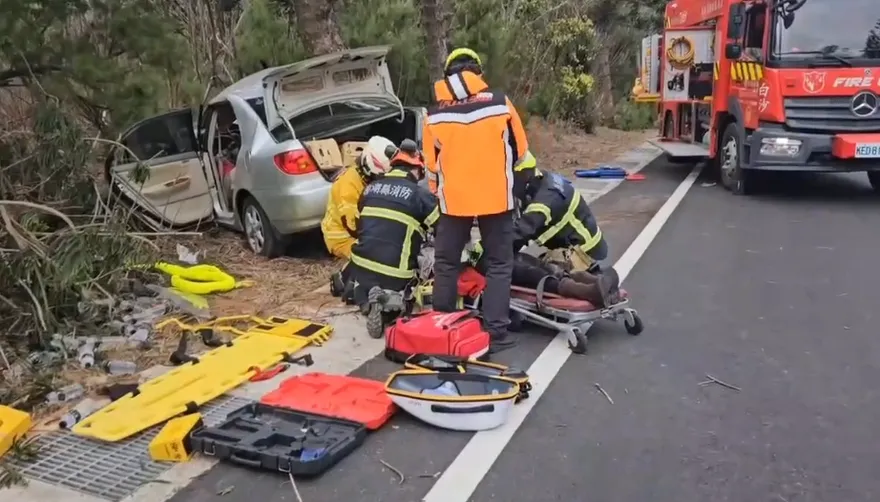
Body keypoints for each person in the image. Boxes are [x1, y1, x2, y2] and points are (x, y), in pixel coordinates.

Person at [422, 47, 530, 353]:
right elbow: (521, 151)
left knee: (446, 262)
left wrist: (439, 192)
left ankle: (442, 329)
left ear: (448, 76)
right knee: (499, 263)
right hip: (496, 197)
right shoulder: (500, 103)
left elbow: (431, 165)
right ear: (478, 73)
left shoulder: (434, 115)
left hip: (454, 201)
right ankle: (496, 332)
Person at [348, 140, 439, 330]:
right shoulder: (420, 195)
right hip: (395, 274)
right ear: (417, 170)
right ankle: (390, 304)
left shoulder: (369, 189)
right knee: (428, 257)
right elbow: (444, 230)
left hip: (359, 267)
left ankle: (366, 299)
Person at [511, 160, 620, 305]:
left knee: (514, 267)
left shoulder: (543, 202)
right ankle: (598, 281)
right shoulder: (543, 182)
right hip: (583, 247)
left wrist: (491, 247)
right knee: (530, 264)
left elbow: (521, 232)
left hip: (580, 254)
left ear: (520, 176)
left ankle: (584, 289)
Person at [323, 136, 396, 292]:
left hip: (362, 228)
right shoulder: (348, 186)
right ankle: (342, 279)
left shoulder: (365, 178)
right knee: (374, 256)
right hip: (342, 237)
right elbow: (353, 226)